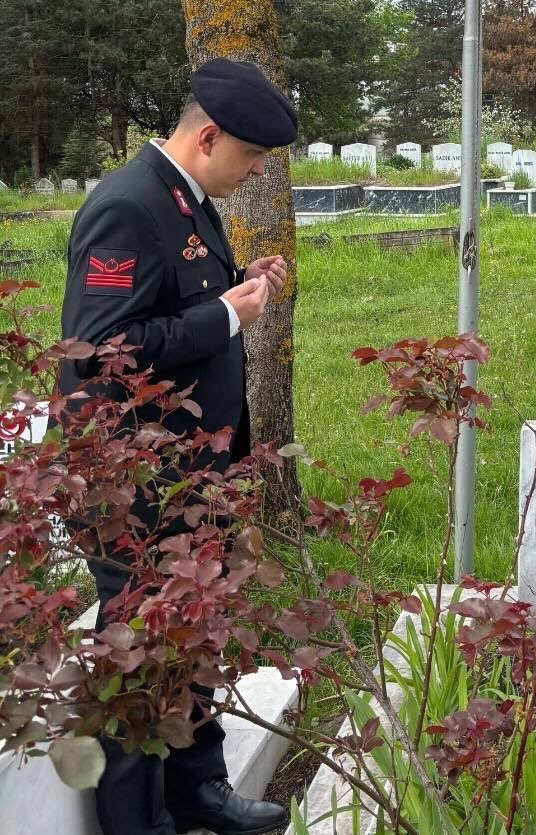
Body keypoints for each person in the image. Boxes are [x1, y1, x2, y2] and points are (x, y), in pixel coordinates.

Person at [58, 58, 296, 835]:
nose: (257, 171)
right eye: (251, 157)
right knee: (140, 653)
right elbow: (98, 350)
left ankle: (197, 787)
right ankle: (136, 820)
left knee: (191, 631)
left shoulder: (188, 199)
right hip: (134, 486)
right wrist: (227, 314)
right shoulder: (127, 207)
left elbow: (179, 295)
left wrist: (241, 282)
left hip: (190, 477)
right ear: (207, 135)